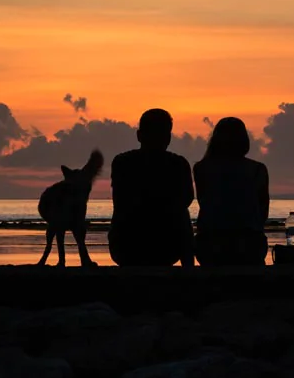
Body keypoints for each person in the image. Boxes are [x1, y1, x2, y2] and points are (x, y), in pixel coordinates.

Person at [109, 108, 195, 267]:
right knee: (183, 214)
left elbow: (120, 202)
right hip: (163, 247)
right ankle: (188, 270)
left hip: (126, 247)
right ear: (168, 137)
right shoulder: (178, 164)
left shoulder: (122, 162)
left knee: (181, 211)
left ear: (139, 135)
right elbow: (186, 200)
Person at [193, 117, 269, 266]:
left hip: (210, 246)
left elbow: (204, 203)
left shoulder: (202, 168)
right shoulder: (257, 169)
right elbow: (262, 212)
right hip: (249, 246)